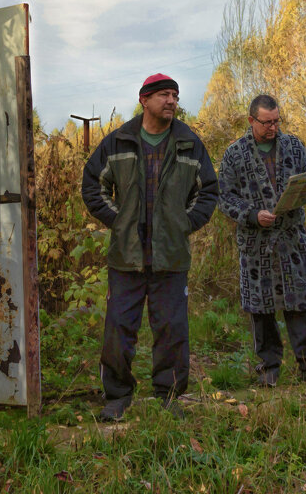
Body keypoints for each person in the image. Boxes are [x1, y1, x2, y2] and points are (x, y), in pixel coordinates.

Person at [81, 73, 218, 421]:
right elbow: (93, 186)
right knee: (118, 328)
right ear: (144, 100)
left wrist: (183, 224)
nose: (171, 101)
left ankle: (169, 397)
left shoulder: (189, 143)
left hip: (170, 257)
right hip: (126, 257)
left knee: (172, 330)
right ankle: (116, 398)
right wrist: (120, 221)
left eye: (174, 95)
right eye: (163, 95)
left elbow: (208, 191)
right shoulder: (119, 142)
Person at [217, 95, 306, 387]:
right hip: (256, 243)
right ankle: (268, 367)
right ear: (251, 120)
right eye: (267, 122)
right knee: (261, 308)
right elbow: (222, 197)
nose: (273, 127)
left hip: (292, 238)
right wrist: (252, 214)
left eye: (276, 121)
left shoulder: (294, 145)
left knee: (302, 303)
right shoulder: (234, 153)